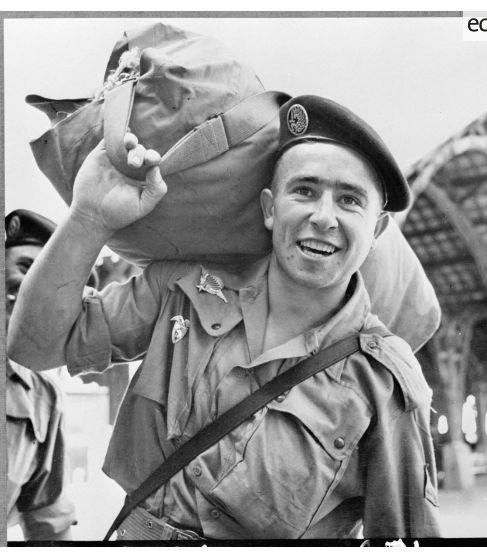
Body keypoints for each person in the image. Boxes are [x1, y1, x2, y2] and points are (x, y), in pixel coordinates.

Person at [8, 95, 441, 540]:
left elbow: (405, 540)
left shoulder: (385, 379)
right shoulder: (182, 290)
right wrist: (88, 218)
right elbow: (33, 348)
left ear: (378, 229)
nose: (322, 217)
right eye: (305, 191)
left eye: (349, 200)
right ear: (271, 208)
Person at [5, 209, 77, 541]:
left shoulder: (43, 395)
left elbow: (49, 525)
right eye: (23, 267)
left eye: (42, 280)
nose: (27, 288)